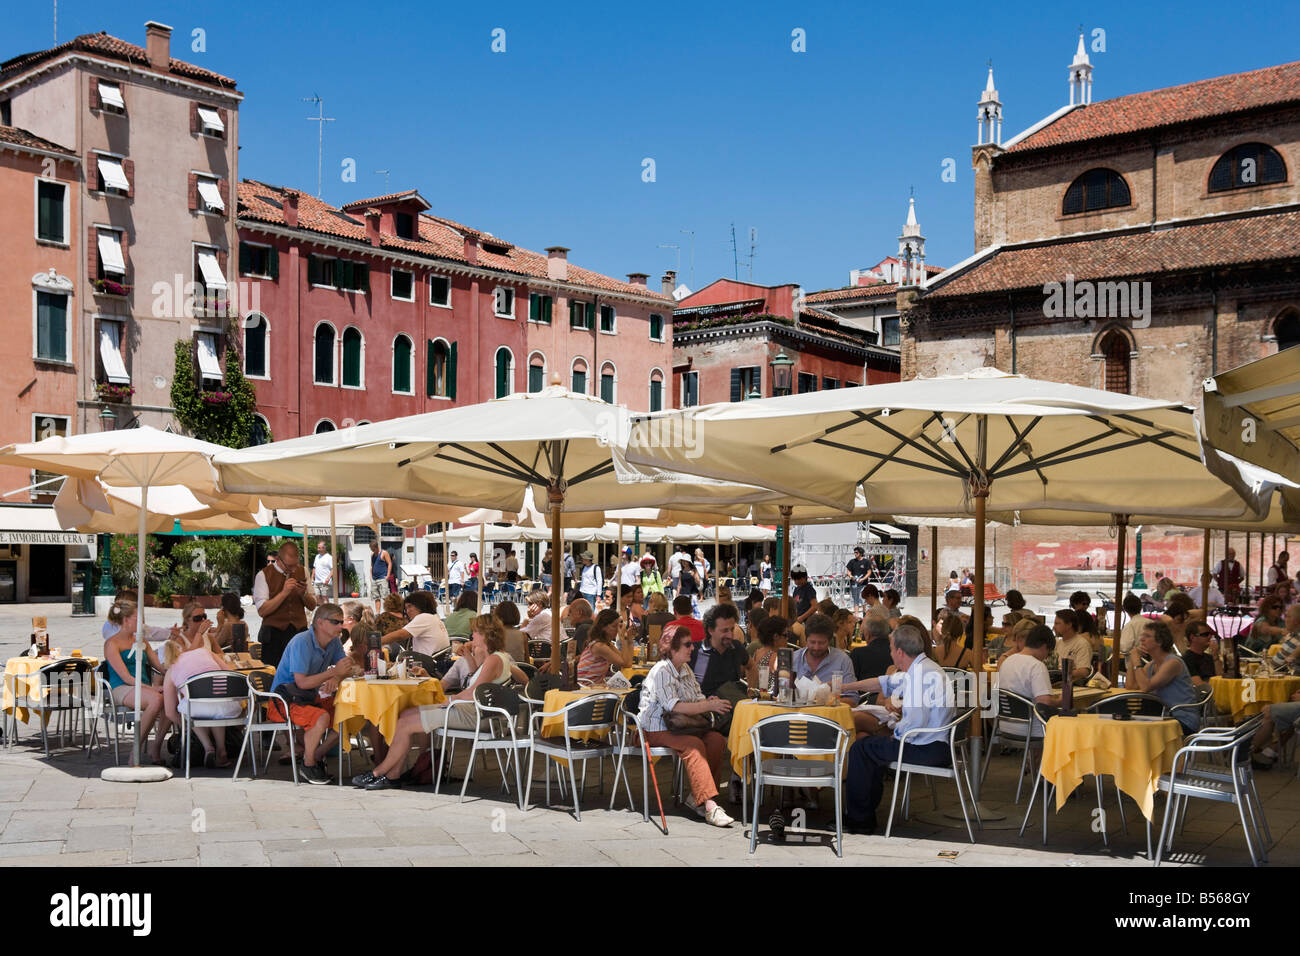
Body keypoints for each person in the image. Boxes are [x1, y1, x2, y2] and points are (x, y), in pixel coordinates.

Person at [356, 614, 526, 790]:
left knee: (405, 723)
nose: (472, 635)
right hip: (476, 713)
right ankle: (392, 774)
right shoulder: (497, 657)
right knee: (405, 714)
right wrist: (469, 657)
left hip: (474, 716)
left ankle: (380, 772)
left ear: (485, 634)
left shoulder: (494, 659)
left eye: (475, 632)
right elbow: (476, 683)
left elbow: (473, 693)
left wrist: (448, 700)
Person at [839, 623, 955, 834]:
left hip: (928, 749)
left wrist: (895, 732)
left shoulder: (919, 675)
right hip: (934, 744)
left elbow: (916, 720)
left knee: (860, 748)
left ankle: (859, 819)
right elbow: (883, 683)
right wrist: (845, 687)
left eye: (891, 649)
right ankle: (863, 814)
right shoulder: (923, 667)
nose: (890, 654)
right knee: (868, 746)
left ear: (900, 652)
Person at [637, 625, 734, 827]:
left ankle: (700, 797)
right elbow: (674, 706)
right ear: (672, 649)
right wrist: (708, 705)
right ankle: (709, 805)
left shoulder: (686, 669)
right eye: (687, 645)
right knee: (693, 745)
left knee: (716, 740)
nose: (693, 648)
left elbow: (697, 697)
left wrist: (709, 700)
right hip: (656, 728)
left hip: (681, 726)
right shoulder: (662, 671)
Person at [270, 604, 359, 784]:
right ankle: (309, 765)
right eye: (336, 622)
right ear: (320, 622)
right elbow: (301, 682)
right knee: (322, 717)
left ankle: (316, 755)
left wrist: (338, 675)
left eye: (342, 622)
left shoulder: (333, 641)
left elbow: (347, 667)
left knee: (349, 716)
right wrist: (333, 673)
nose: (341, 626)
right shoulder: (302, 642)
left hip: (307, 697)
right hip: (284, 700)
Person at [103, 599, 175, 765]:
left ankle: (155, 746)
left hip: (143, 688)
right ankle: (134, 752)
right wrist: (152, 688)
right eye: (138, 617)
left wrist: (177, 667)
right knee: (157, 699)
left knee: (169, 697)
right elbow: (126, 678)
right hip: (121, 687)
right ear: (127, 620)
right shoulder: (112, 644)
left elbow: (160, 666)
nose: (142, 621)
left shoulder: (142, 641)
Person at [162, 639, 239, 769]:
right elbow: (231, 673)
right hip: (226, 708)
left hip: (196, 709)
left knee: (189, 709)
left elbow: (169, 712)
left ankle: (208, 747)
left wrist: (188, 726)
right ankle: (221, 749)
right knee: (214, 703)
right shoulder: (206, 652)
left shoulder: (171, 669)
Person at [1127, 620, 1200, 733]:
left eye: (1147, 636)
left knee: (1134, 729)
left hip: (1182, 719)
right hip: (1162, 716)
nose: (1142, 639)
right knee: (1128, 724)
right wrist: (1132, 662)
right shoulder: (1152, 664)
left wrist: (1137, 661)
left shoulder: (1173, 663)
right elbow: (1131, 686)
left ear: (1159, 641)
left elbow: (1146, 687)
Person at [253, 539, 315, 667]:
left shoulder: (302, 571)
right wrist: (283, 593)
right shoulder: (263, 575)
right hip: (274, 637)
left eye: (295, 565)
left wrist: (303, 594)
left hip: (299, 633)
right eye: (289, 566)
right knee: (274, 673)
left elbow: (312, 605)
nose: (293, 569)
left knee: (300, 670)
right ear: (278, 559)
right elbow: (262, 611)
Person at [996, 624, 1061, 738]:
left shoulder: (1007, 661)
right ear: (1044, 647)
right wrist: (1061, 700)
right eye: (1048, 652)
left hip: (1004, 724)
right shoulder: (1036, 666)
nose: (1046, 657)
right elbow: (1044, 701)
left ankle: (1035, 756)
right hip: (1031, 727)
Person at [792, 614, 858, 702]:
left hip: (829, 714)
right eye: (812, 642)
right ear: (806, 639)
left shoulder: (842, 660)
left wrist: (827, 700)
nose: (816, 647)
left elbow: (852, 699)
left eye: (822, 643)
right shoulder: (793, 658)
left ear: (830, 641)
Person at [689, 604, 747, 698]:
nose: (730, 635)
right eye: (725, 631)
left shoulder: (736, 647)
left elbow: (751, 667)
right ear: (710, 630)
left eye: (732, 629)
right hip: (705, 709)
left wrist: (751, 689)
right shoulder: (695, 651)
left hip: (734, 707)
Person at [381, 590, 451, 656]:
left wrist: (377, 642)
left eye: (410, 606)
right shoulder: (435, 618)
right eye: (406, 608)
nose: (408, 611)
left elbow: (400, 635)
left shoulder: (423, 617)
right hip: (436, 660)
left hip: (426, 663)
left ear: (420, 605)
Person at [577, 609, 635, 685]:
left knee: (635, 680)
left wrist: (629, 641)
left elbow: (627, 662)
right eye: (614, 626)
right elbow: (625, 664)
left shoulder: (606, 643)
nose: (618, 630)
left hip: (595, 687)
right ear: (603, 627)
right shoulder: (599, 646)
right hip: (586, 689)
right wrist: (622, 639)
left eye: (619, 626)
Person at [747, 614, 789, 691]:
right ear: (776, 636)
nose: (787, 639)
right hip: (771, 699)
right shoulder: (776, 657)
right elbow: (786, 686)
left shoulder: (757, 653)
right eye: (785, 635)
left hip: (758, 698)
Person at [851, 611, 893, 683]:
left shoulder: (858, 653)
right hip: (892, 693)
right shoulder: (896, 652)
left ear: (867, 634)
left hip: (865, 693)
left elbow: (851, 681)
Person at [1053, 609, 1093, 683]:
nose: (1054, 627)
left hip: (1071, 685)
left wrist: (1061, 675)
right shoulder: (1058, 643)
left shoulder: (1081, 644)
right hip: (1056, 682)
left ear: (1069, 625)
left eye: (1057, 624)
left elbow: (1084, 671)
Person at [493, 600, 528, 664]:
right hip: (520, 669)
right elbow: (526, 660)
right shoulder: (523, 635)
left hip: (501, 670)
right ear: (516, 615)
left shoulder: (494, 634)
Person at [1267, 604, 1300, 672]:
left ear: (1297, 621)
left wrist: (1292, 656)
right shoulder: (1292, 635)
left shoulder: (1298, 637)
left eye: (1288, 617)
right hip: (1273, 672)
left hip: (1288, 677)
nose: (1285, 620)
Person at [1117, 594, 1147, 658]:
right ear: (1140, 607)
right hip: (1153, 663)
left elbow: (1124, 648)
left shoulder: (1130, 625)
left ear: (1125, 609)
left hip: (1135, 663)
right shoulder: (1151, 622)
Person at [369, 541, 394, 612]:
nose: (372, 550)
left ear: (377, 547)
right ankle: (377, 613)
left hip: (382, 578)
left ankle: (389, 611)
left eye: (373, 549)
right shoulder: (372, 555)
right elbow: (372, 566)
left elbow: (389, 563)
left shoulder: (384, 553)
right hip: (374, 579)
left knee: (385, 597)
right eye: (371, 549)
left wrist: (388, 576)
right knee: (376, 597)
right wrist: (370, 576)